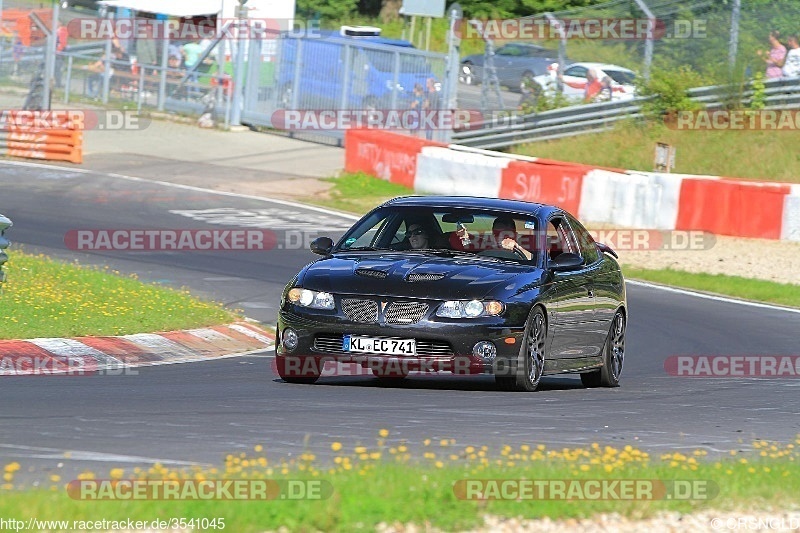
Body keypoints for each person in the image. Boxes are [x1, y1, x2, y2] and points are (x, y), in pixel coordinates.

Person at [453, 217, 534, 260]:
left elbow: (534, 260)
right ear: (493, 233)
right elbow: (467, 252)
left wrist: (517, 247)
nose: (501, 237)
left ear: (514, 234)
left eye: (506, 233)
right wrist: (465, 237)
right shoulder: (486, 243)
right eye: (497, 233)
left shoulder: (524, 243)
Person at [55, 22, 69, 88]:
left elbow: (62, 43)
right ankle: (57, 83)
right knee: (56, 69)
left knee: (57, 69)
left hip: (58, 54)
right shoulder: (57, 30)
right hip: (57, 53)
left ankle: (58, 84)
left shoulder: (62, 30)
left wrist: (58, 51)